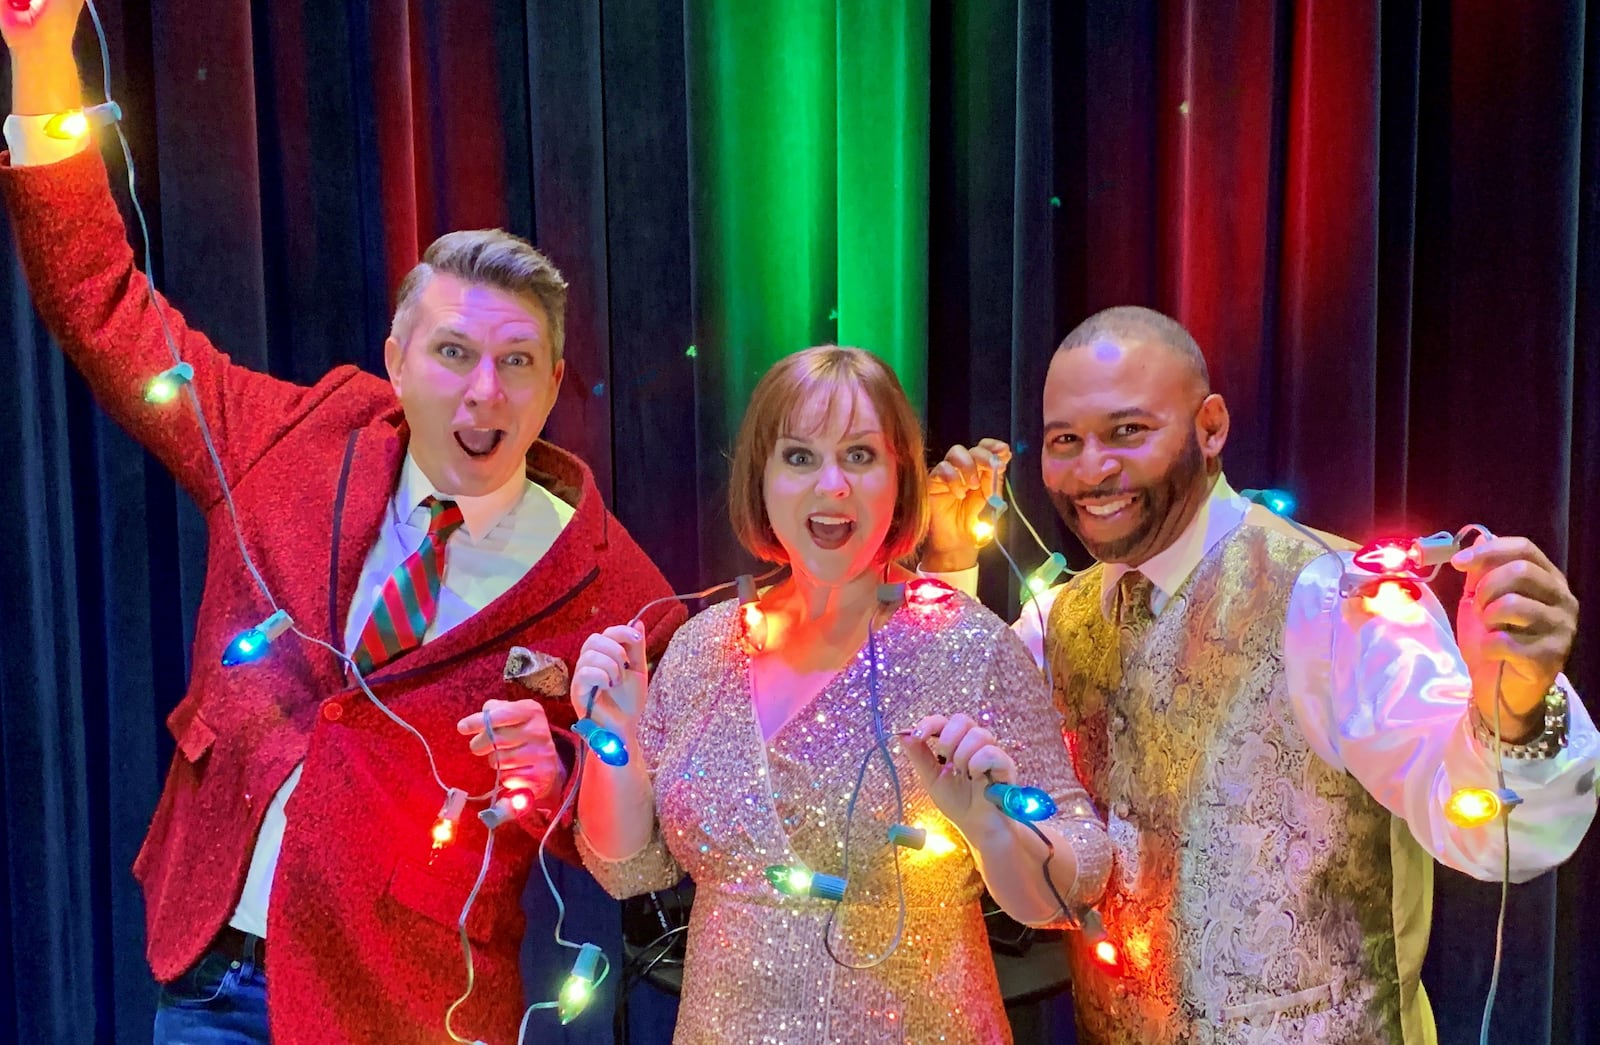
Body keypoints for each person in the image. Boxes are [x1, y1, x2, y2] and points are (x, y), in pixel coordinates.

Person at [0, 3, 682, 1042]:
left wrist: (565, 783)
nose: (482, 394)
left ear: (554, 386)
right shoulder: (297, 437)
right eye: (452, 353)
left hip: (403, 1012)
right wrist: (43, 57)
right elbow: (101, 301)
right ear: (396, 360)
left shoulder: (601, 581)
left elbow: (648, 839)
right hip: (209, 980)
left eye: (516, 363)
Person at [922, 305, 1597, 1044]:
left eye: (1127, 431)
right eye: (1065, 441)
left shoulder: (1337, 597)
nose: (1092, 469)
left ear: (1210, 427)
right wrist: (950, 559)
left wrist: (1518, 706)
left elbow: (1493, 831)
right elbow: (941, 736)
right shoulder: (1059, 620)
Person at [567, 345, 1111, 1043]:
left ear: (899, 480)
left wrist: (993, 829)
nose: (831, 485)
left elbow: (1075, 880)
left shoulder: (966, 647)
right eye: (799, 457)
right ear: (761, 479)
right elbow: (627, 867)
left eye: (860, 456)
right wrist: (612, 737)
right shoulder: (704, 648)